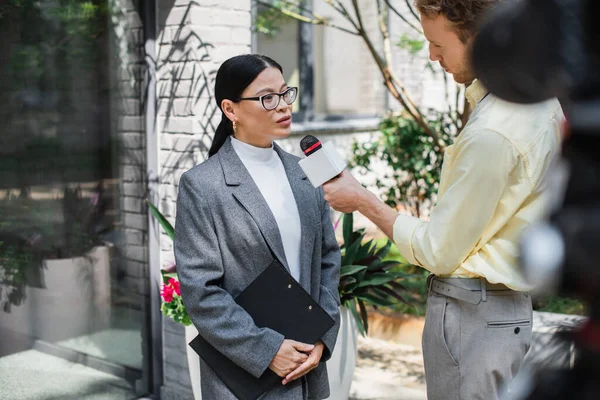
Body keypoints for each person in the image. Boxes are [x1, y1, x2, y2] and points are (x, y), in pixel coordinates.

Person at [322, 1, 565, 399]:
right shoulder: (539, 99)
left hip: (474, 319)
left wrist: (364, 201)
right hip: (501, 315)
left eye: (438, 44)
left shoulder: (493, 131)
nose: (432, 56)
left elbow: (439, 250)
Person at [174, 54, 341, 400]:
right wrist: (266, 350)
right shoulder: (203, 185)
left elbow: (328, 260)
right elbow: (201, 291)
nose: (282, 106)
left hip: (309, 370)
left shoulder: (304, 171)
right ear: (231, 110)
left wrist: (324, 337)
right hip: (245, 379)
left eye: (285, 93)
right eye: (267, 98)